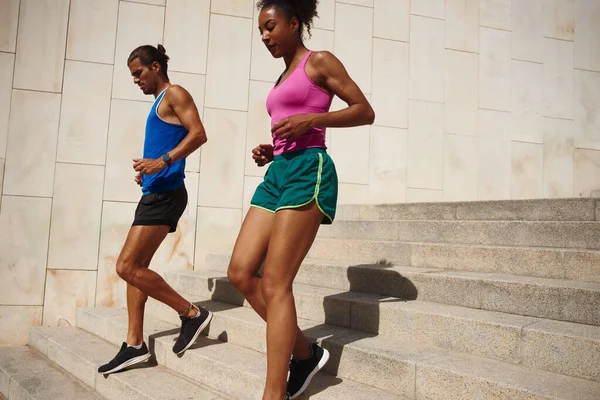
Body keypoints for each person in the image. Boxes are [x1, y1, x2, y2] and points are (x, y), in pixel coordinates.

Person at [226, 1, 375, 399]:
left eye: (271, 27)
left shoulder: (319, 61)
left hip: (310, 169)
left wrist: (313, 120)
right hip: (279, 172)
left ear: (294, 23)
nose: (265, 36)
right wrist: (270, 151)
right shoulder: (281, 77)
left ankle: (273, 393)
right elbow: (287, 128)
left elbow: (364, 111)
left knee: (276, 282)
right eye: (261, 30)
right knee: (241, 273)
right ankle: (305, 352)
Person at [98, 44, 212, 374]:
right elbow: (166, 144)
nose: (136, 80)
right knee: (137, 267)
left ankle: (192, 313)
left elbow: (199, 134)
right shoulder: (159, 104)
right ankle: (134, 344)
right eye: (132, 75)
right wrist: (149, 170)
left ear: (156, 67)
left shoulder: (175, 93)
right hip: (155, 191)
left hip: (166, 195)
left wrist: (162, 162)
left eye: (139, 73)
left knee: (126, 266)